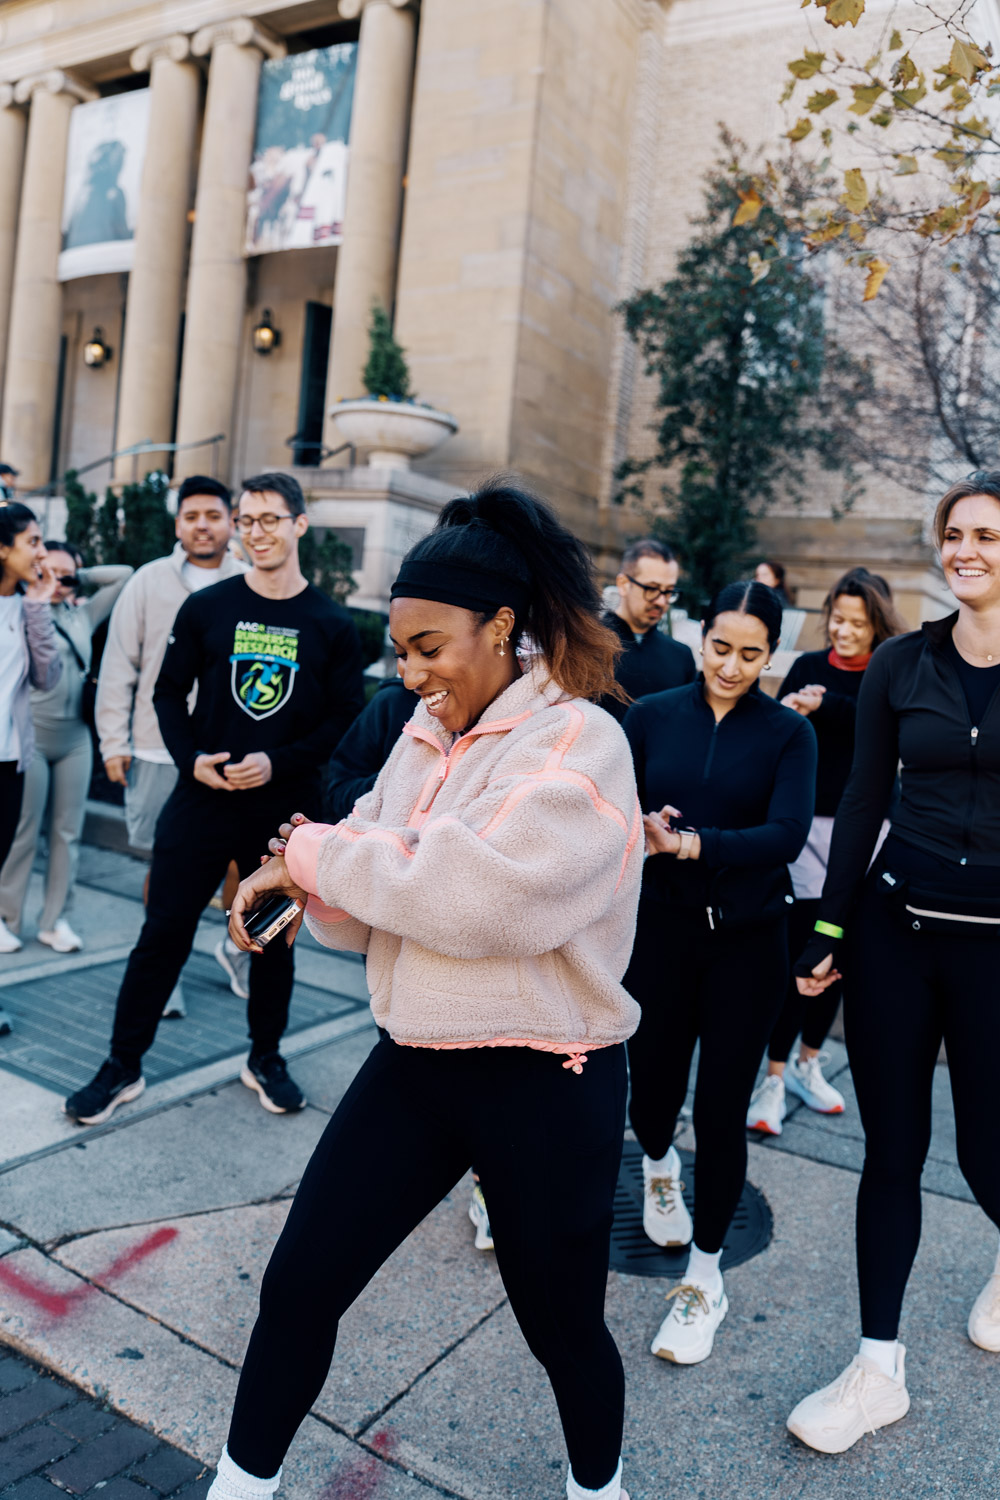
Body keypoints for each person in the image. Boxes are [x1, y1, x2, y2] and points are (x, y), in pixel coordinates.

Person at [210, 481, 643, 1500]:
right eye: (399, 650)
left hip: (547, 1075)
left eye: (429, 647)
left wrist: (316, 853)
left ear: (502, 627)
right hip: (417, 1063)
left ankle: (598, 1489)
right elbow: (373, 891)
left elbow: (476, 897)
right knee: (299, 1284)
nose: (410, 673)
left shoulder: (582, 744)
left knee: (562, 1327)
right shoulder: (420, 734)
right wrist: (305, 882)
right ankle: (237, 1488)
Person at [786, 473, 1000, 1454]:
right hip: (895, 935)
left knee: (986, 1154)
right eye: (954, 534)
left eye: (986, 535)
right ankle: (878, 1370)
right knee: (893, 1152)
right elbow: (865, 801)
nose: (965, 550)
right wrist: (827, 935)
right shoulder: (901, 665)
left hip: (994, 952)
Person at [65, 472, 365, 1127]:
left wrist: (277, 760)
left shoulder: (330, 624)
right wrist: (192, 759)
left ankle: (265, 1057)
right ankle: (122, 1065)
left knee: (272, 941)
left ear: (300, 525)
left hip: (282, 809)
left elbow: (344, 716)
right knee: (162, 934)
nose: (257, 532)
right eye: (248, 520)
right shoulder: (207, 608)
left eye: (271, 519)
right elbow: (167, 693)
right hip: (202, 798)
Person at [622, 580, 815, 1365]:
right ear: (699, 637)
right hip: (659, 934)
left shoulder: (787, 735)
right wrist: (643, 828)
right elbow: (613, 808)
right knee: (655, 1090)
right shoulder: (649, 714)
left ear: (773, 655)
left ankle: (706, 1279)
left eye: (751, 654)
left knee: (723, 1108)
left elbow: (786, 835)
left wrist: (694, 843)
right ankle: (659, 1168)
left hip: (748, 942)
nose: (731, 666)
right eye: (721, 648)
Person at [745, 567, 905, 1134]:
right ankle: (773, 1074)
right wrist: (791, 711)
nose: (843, 630)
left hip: (866, 834)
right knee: (804, 951)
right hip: (807, 829)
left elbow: (886, 729)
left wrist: (825, 706)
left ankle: (810, 1064)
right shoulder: (810, 666)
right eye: (837, 618)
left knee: (843, 957)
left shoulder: (893, 670)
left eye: (856, 623)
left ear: (876, 625)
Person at [96, 476, 245, 1016]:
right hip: (158, 748)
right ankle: (166, 973)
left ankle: (235, 946)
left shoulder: (251, 580)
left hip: (228, 751)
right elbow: (120, 663)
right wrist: (114, 742)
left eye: (212, 514)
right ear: (177, 523)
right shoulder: (148, 581)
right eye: (191, 516)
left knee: (238, 860)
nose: (201, 525)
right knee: (166, 867)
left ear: (231, 520)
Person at [0, 544, 132, 955]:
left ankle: (55, 919)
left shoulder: (83, 613)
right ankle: (7, 917)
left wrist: (78, 572)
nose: (56, 581)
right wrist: (43, 579)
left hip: (76, 738)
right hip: (32, 736)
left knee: (67, 832)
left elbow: (124, 573)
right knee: (23, 833)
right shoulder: (24, 610)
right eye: (47, 571)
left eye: (65, 575)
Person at [0, 502, 61, 1034]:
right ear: (2, 548)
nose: (41, 553)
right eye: (33, 542)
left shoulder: (26, 608)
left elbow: (47, 679)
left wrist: (40, 607)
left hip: (8, 766)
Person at [599, 538, 695, 722]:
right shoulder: (587, 644)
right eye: (652, 589)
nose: (661, 601)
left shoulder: (681, 657)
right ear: (623, 584)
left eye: (668, 591)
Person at [322, 676, 417, 823]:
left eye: (430, 653)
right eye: (402, 656)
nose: (410, 671)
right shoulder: (391, 701)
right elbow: (339, 791)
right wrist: (392, 779)